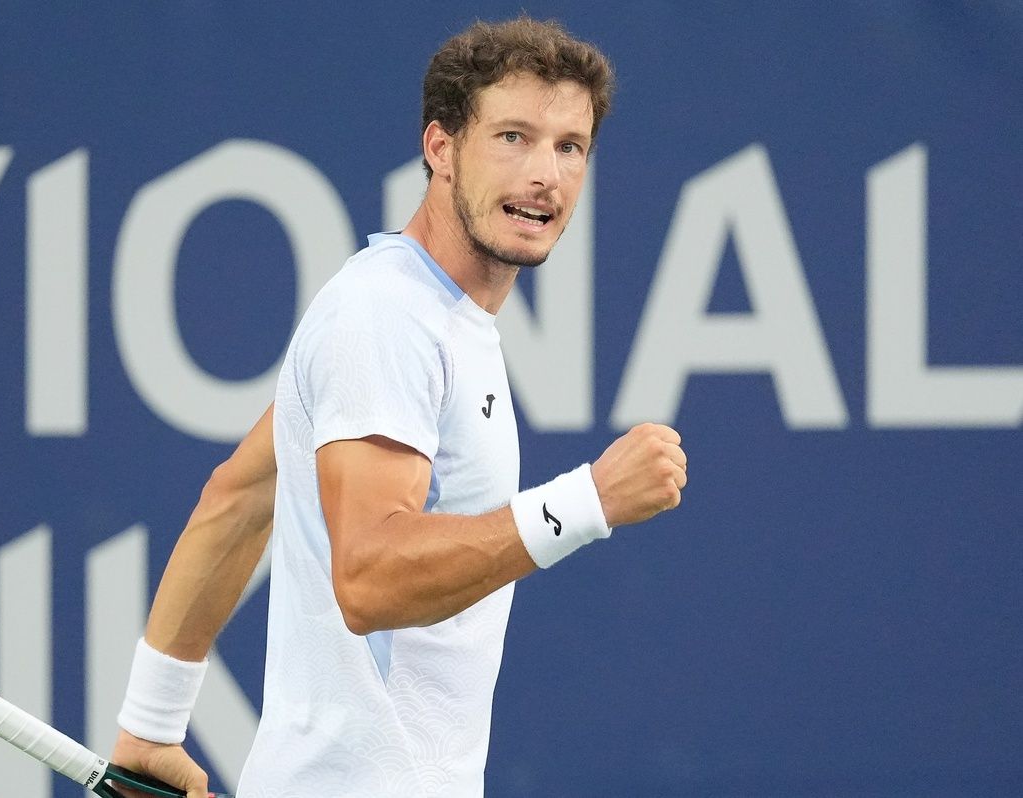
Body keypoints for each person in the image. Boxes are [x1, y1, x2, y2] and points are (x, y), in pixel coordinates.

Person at [111, 15, 688, 798]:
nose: (545, 175)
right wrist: (586, 502)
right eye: (513, 138)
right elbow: (369, 580)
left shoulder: (425, 314)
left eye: (569, 147)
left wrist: (150, 726)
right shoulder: (386, 317)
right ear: (441, 149)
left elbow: (238, 499)